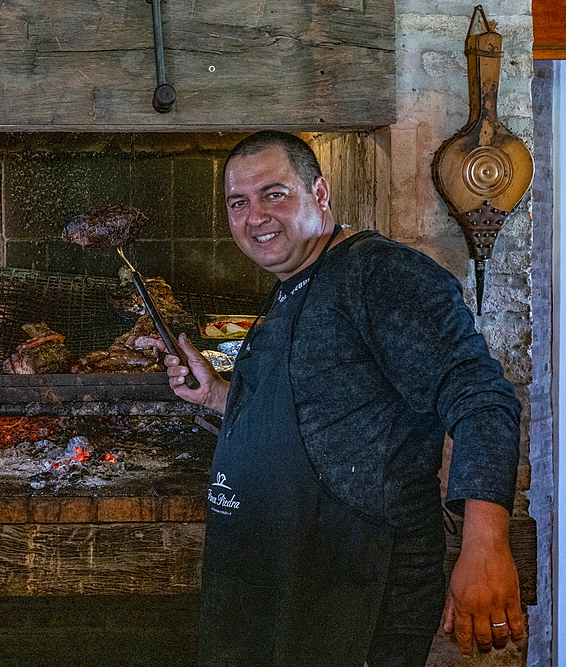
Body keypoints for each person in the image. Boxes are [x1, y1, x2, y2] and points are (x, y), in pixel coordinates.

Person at [137, 130, 523, 667]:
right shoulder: (294, 283)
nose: (255, 217)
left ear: (320, 194)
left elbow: (481, 397)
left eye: (275, 194)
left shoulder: (380, 272)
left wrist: (486, 546)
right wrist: (218, 396)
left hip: (353, 582)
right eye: (238, 203)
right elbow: (317, 411)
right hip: (282, 572)